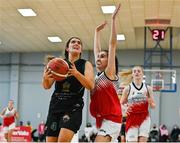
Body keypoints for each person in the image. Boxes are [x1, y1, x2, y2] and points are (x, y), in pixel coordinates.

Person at [42, 37, 94, 142]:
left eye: (79, 43)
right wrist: (45, 77)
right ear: (67, 48)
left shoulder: (85, 64)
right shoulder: (58, 63)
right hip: (55, 106)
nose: (76, 44)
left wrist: (76, 73)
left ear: (81, 50)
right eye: (73, 42)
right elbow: (47, 86)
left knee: (62, 141)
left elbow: (90, 86)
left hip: (73, 107)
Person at [90, 4, 122, 142]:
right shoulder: (98, 75)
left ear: (109, 61)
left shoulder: (109, 74)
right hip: (102, 118)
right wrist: (96, 32)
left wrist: (113, 20)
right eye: (98, 56)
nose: (98, 57)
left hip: (112, 118)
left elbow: (112, 44)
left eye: (103, 56)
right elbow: (96, 50)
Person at [121, 66, 156, 142]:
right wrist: (124, 109)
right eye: (135, 71)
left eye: (139, 71)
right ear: (132, 74)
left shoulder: (148, 88)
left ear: (142, 74)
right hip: (132, 118)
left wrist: (149, 100)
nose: (137, 72)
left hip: (144, 118)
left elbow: (153, 106)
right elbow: (121, 104)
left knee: (142, 140)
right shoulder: (127, 89)